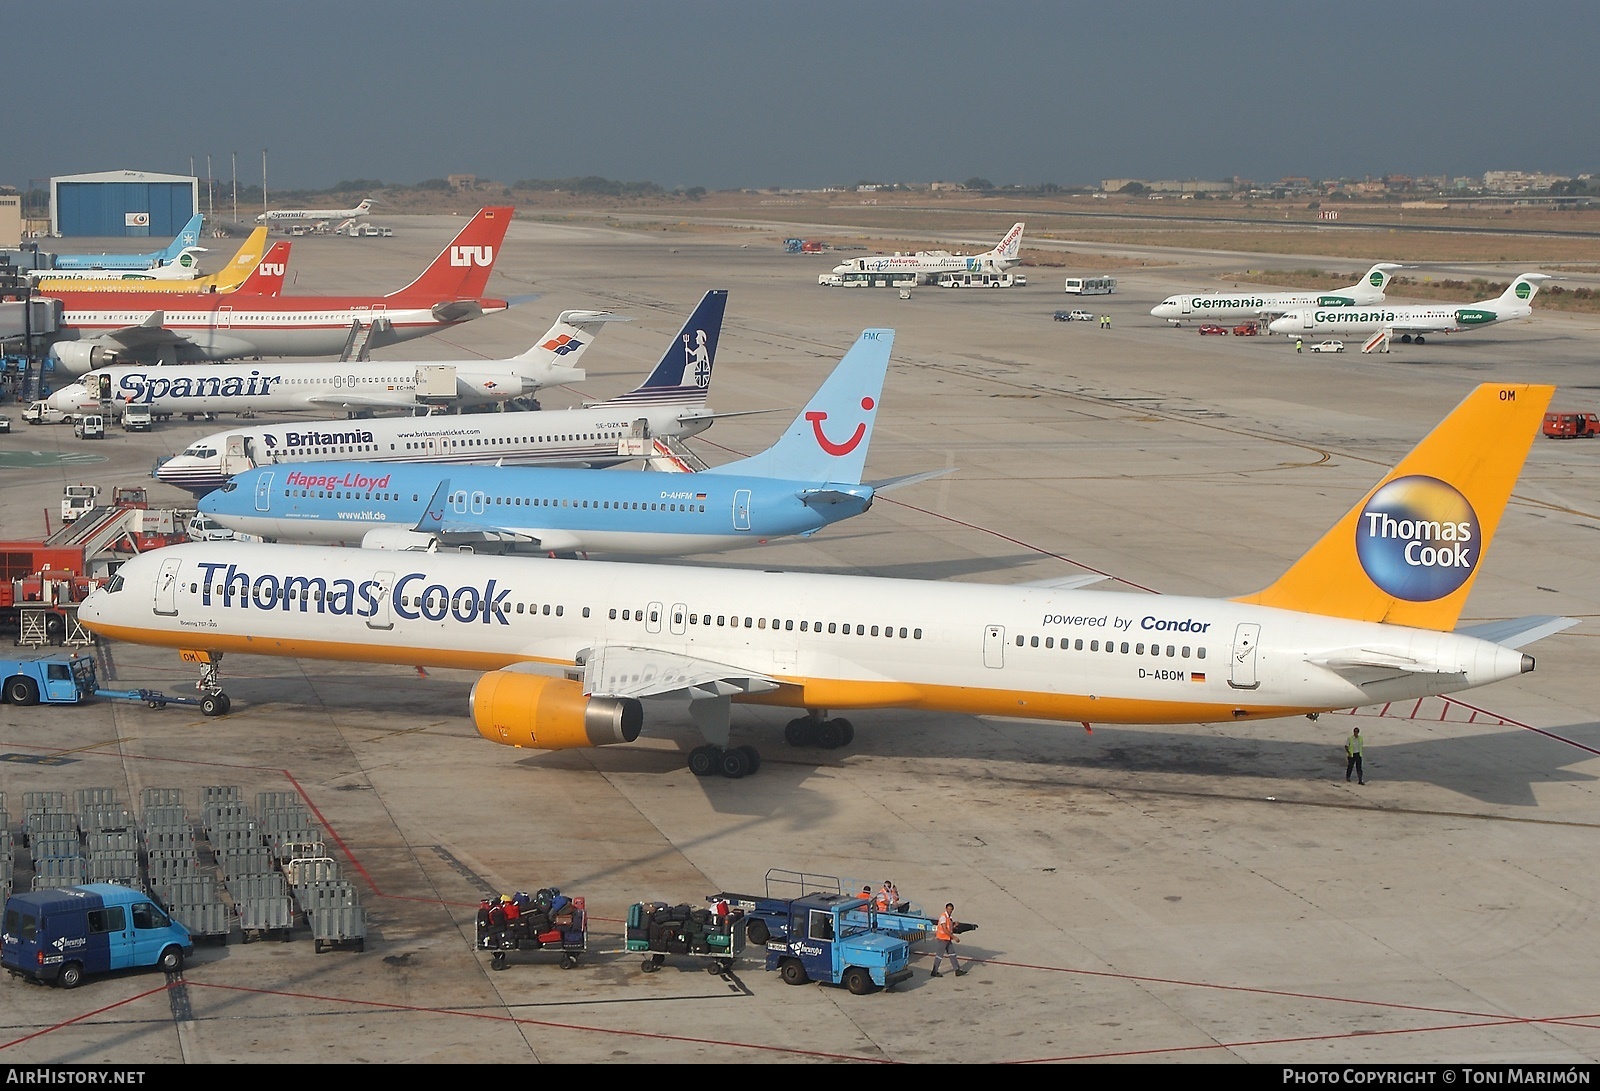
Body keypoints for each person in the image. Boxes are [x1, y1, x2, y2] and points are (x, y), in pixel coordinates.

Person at [930, 902, 966, 977]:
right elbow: (945, 929)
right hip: (942, 939)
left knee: (952, 954)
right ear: (946, 909)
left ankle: (957, 970)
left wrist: (954, 925)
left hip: (947, 938)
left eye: (951, 909)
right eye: (948, 909)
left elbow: (949, 928)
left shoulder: (949, 918)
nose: (949, 910)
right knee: (939, 956)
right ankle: (934, 971)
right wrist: (954, 937)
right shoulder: (943, 917)